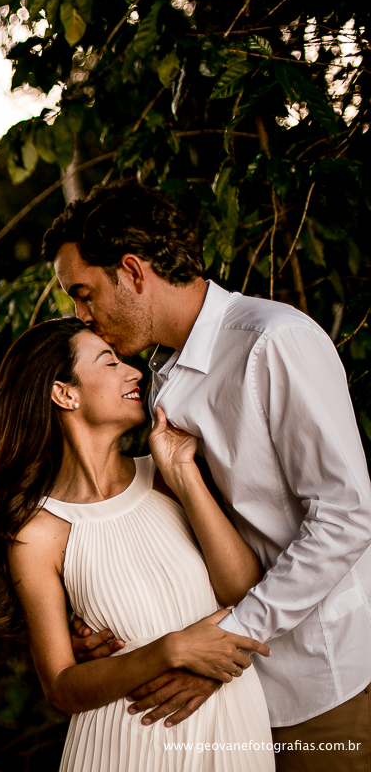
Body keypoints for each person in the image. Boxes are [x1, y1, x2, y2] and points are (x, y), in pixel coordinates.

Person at [44, 180, 371, 771]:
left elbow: (347, 517)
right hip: (231, 693)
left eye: (85, 293)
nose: (81, 315)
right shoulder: (162, 379)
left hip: (322, 678)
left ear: (133, 271)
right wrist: (108, 617)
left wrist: (231, 641)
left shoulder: (273, 341)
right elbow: (178, 532)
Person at [0, 317, 274, 771]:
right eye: (109, 361)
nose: (134, 372)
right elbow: (61, 687)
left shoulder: (168, 476)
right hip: (126, 742)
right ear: (65, 393)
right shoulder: (36, 533)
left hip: (232, 728)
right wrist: (171, 649)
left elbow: (243, 588)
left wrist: (182, 472)